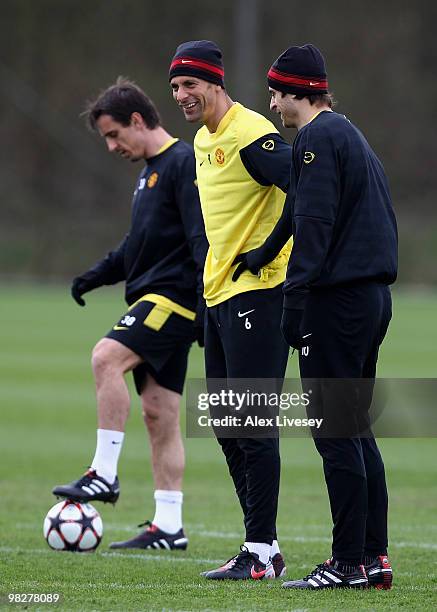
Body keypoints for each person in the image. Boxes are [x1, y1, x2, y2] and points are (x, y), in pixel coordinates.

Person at [235, 44, 397, 590]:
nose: (273, 102)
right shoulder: (344, 134)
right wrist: (263, 254)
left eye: (276, 92)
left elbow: (317, 224)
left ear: (295, 92)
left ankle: (346, 561)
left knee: (334, 433)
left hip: (338, 303)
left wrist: (295, 301)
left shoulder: (315, 140)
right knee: (356, 430)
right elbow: (296, 210)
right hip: (371, 298)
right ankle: (374, 559)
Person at [52, 77, 208, 551]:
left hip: (173, 301)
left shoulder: (182, 163)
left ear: (137, 121)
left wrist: (207, 305)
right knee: (159, 412)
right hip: (158, 298)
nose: (111, 146)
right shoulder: (148, 173)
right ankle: (169, 525)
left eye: (114, 134)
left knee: (105, 358)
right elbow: (136, 246)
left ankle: (103, 473)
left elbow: (203, 238)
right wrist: (94, 276)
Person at [169, 40, 292, 580]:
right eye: (174, 86)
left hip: (260, 294)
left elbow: (306, 187)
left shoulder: (251, 133)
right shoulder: (201, 140)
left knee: (253, 424)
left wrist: (268, 253)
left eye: (189, 84)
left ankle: (261, 550)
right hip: (219, 296)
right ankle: (258, 544)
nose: (181, 95)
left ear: (214, 83)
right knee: (223, 423)